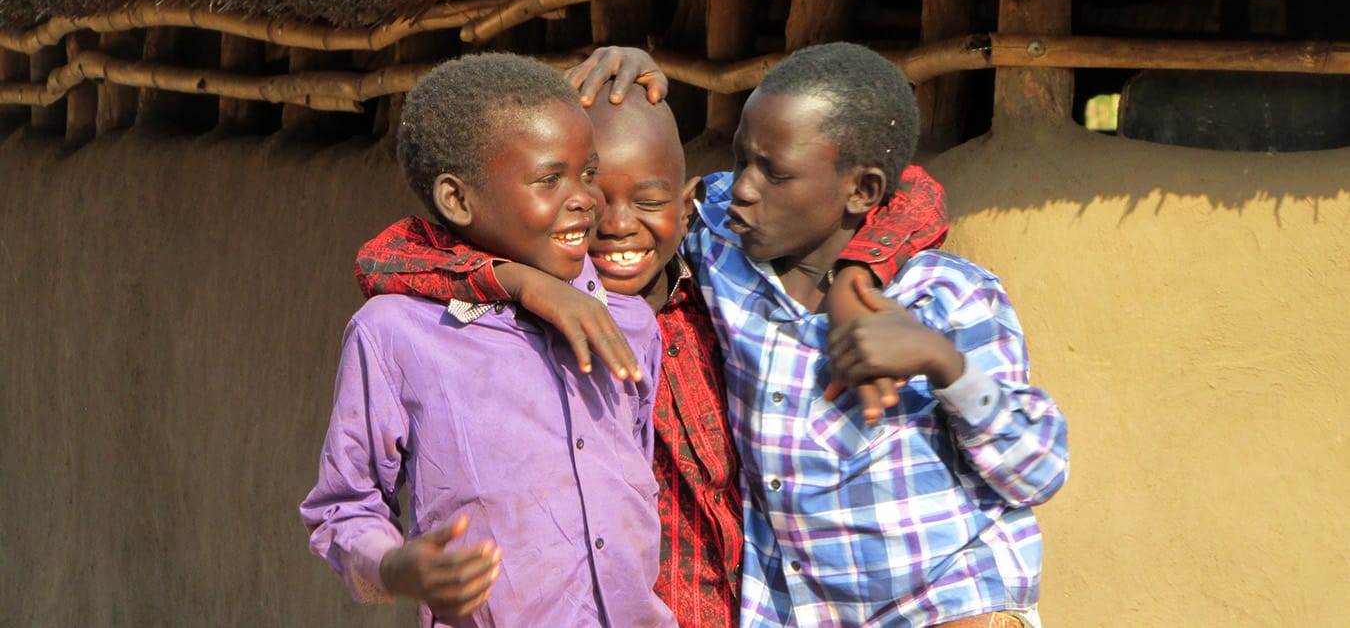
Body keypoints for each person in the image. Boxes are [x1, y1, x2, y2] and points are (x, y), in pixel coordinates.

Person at [351, 48, 952, 627]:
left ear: (687, 204)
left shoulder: (725, 265)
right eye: (582, 186)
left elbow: (909, 191)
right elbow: (386, 257)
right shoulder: (506, 319)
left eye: (648, 199)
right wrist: (522, 283)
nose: (611, 221)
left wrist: (856, 273)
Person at [681, 42, 1070, 628]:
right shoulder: (720, 243)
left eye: (774, 173)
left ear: (862, 191)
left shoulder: (945, 296)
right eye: (741, 161)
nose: (743, 187)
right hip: (795, 608)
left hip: (947, 600)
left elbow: (1037, 472)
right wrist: (632, 71)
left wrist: (943, 364)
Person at [299, 53, 675, 628]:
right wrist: (394, 566)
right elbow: (343, 507)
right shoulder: (398, 334)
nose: (585, 199)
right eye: (550, 179)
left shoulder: (627, 323)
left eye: (588, 173)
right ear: (458, 200)